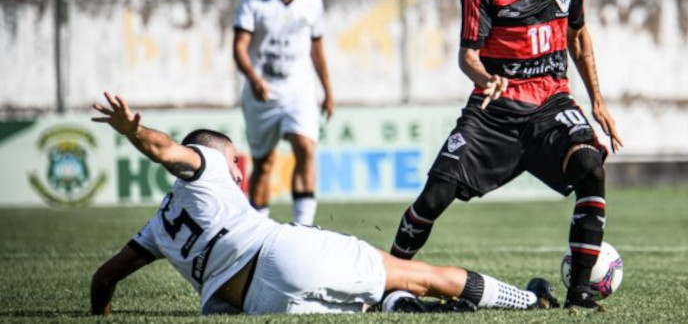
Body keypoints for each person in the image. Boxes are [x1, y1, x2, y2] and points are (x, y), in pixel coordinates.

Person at [89, 92, 560, 316]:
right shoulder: (207, 162)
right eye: (236, 161)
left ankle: (405, 308)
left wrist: (101, 314)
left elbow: (103, 278)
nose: (237, 170)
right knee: (420, 274)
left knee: (373, 302)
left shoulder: (157, 226)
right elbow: (165, 149)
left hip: (258, 305)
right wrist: (134, 131)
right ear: (218, 156)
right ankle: (532, 301)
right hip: (277, 254)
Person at [389, 0, 623, 312]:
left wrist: (598, 101)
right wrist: (485, 77)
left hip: (551, 106)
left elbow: (578, 37)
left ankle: (580, 294)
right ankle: (387, 275)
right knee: (434, 196)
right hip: (494, 113)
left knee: (590, 165)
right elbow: (468, 55)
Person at [233, 0, 333, 225]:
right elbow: (239, 48)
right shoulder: (254, 1)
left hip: (299, 91)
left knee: (305, 147)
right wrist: (254, 79)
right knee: (264, 164)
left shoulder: (312, 2)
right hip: (261, 92)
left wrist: (328, 91)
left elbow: (317, 51)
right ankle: (257, 229)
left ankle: (304, 227)